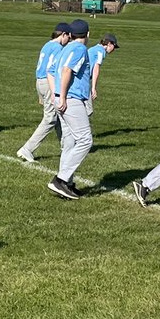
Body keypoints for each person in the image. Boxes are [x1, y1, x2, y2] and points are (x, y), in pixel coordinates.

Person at [48, 20, 94, 199]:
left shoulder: (64, 48)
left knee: (70, 142)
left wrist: (55, 94)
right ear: (87, 34)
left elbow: (51, 71)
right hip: (71, 99)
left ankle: (67, 183)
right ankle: (60, 179)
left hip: (60, 98)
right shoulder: (80, 49)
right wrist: (64, 96)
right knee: (85, 140)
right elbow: (67, 71)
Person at [16, 22, 70, 162]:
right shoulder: (58, 48)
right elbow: (53, 70)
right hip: (48, 82)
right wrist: (53, 91)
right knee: (50, 118)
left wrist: (40, 93)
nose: (68, 41)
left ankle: (66, 147)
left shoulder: (47, 44)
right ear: (63, 35)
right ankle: (27, 149)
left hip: (40, 81)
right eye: (68, 38)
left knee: (58, 116)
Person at [85, 32, 120, 116]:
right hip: (84, 80)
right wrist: (93, 88)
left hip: (81, 79)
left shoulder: (94, 49)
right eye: (114, 47)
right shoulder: (101, 51)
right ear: (109, 44)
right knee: (88, 110)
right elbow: (96, 68)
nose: (113, 50)